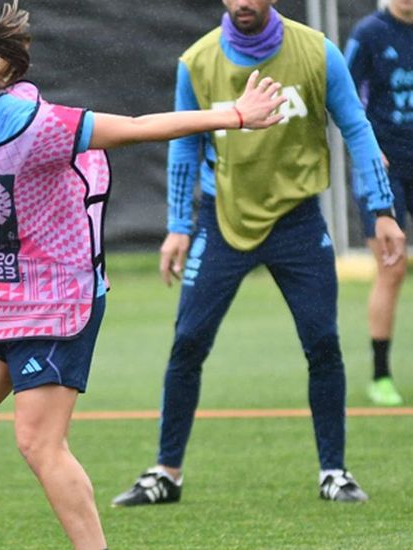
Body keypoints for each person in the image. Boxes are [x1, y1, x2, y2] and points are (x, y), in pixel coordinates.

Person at [0, 2, 285, 549]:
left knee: (38, 442)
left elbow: (138, 128)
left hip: (57, 298)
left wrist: (233, 115)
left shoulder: (38, 126)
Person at [111, 0, 406, 508]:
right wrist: (178, 226)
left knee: (322, 344)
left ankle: (333, 472)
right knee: (188, 343)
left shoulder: (316, 52)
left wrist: (380, 209)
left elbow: (356, 126)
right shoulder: (198, 61)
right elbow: (183, 145)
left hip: (298, 222)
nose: (241, 2)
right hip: (223, 221)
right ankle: (166, 472)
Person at [344, 0, 413, 406]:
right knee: (392, 266)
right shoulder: (369, 33)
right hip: (383, 167)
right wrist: (366, 150)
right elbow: (343, 94)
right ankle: (381, 373)